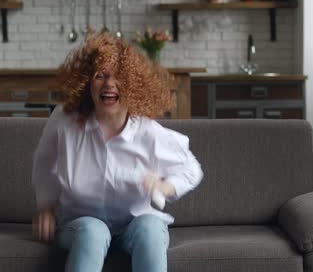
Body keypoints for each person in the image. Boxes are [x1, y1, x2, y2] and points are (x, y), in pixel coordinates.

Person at [32, 33, 203, 272]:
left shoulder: (148, 131)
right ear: (86, 83)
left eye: (118, 77)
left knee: (151, 228)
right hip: (81, 224)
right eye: (100, 75)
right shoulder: (64, 121)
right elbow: (44, 161)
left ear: (132, 85)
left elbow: (191, 169)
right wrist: (46, 208)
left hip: (135, 225)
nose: (109, 84)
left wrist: (165, 187)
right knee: (93, 231)